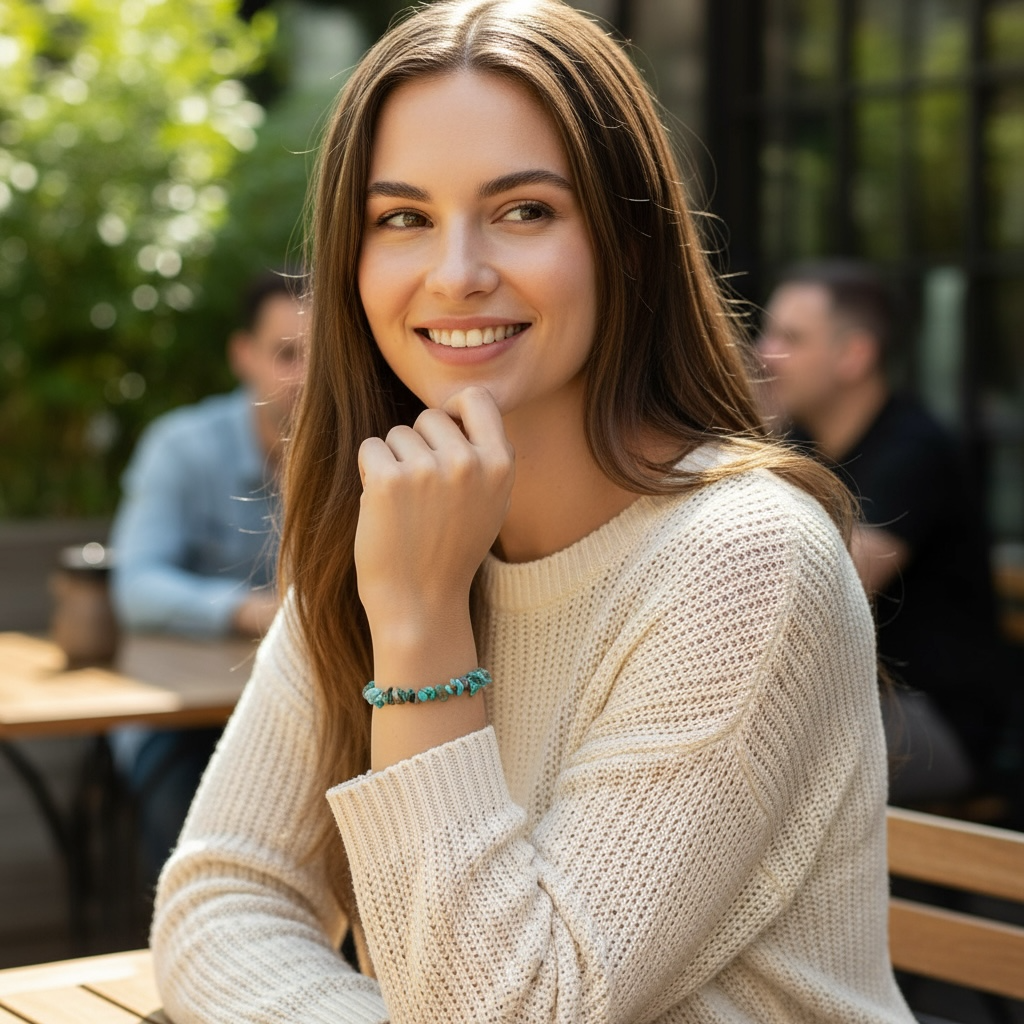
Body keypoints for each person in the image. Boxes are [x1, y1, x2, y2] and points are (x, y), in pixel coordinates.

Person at [151, 3, 917, 1021]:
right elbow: (220, 898)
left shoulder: (745, 560)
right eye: (403, 219)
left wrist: (422, 624)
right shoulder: (398, 513)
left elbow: (507, 1011)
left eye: (523, 211)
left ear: (628, 242)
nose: (457, 274)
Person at [757, 260, 1008, 803]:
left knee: (757, 752)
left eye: (789, 339)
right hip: (845, 701)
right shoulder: (800, 446)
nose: (764, 354)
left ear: (854, 355)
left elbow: (824, 590)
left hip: (935, 720)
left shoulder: (912, 449)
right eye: (768, 334)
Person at [109, 270, 306, 878]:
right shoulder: (182, 446)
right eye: (287, 355)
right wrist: (249, 610)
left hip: (305, 715)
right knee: (193, 844)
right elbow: (134, 585)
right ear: (243, 355)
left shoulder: (362, 447)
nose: (308, 377)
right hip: (183, 721)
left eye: (324, 357)